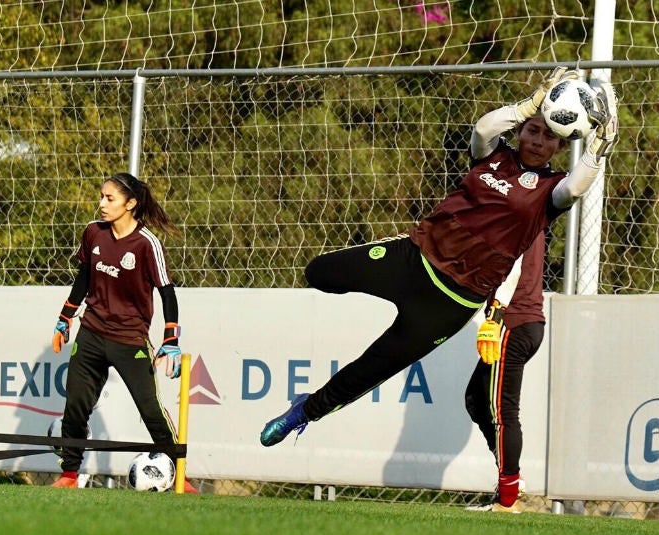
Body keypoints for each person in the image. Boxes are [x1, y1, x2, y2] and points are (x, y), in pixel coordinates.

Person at [260, 67, 618, 450]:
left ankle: (303, 413)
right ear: (521, 130)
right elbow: (482, 129)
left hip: (451, 303)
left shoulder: (550, 192)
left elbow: (577, 186)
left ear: (561, 145)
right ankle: (307, 405)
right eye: (533, 129)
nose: (538, 139)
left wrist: (601, 144)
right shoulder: (493, 156)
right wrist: (530, 103)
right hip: (415, 259)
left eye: (549, 135)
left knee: (372, 369)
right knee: (320, 272)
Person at [50, 172, 198, 493]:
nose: (102, 204)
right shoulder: (93, 233)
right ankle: (69, 474)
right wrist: (65, 317)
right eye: (101, 197)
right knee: (75, 404)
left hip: (130, 339)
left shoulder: (147, 244)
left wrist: (170, 337)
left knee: (150, 408)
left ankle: (181, 476)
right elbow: (84, 277)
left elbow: (167, 291)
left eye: (110, 198)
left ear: (130, 204)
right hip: (90, 333)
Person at [465, 231, 547, 512]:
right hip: (522, 322)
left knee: (503, 411)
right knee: (476, 398)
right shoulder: (524, 206)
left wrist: (496, 313)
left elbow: (512, 262)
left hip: (513, 322)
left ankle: (507, 499)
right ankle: (511, 475)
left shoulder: (521, 208)